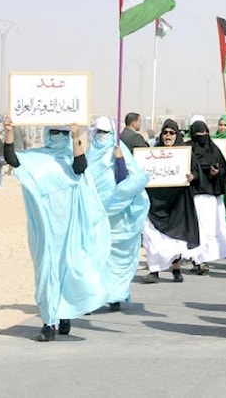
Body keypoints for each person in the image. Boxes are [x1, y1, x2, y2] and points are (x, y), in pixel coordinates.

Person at [2, 117, 110, 342]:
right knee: (45, 274)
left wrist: (75, 136)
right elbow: (11, 158)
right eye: (54, 132)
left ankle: (65, 313)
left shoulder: (70, 159)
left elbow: (80, 167)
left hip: (69, 229)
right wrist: (10, 131)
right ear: (45, 132)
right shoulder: (35, 158)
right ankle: (48, 322)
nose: (57, 136)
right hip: (43, 230)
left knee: (68, 271)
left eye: (61, 133)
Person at [87, 116, 150, 311]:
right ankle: (90, 298)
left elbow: (135, 179)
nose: (102, 137)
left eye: (106, 133)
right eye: (99, 132)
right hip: (94, 214)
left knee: (115, 256)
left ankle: (115, 295)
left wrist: (120, 160)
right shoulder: (88, 155)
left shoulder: (119, 150)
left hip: (118, 216)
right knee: (93, 255)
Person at [141, 119, 199, 283]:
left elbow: (197, 172)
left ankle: (176, 269)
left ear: (177, 135)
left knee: (175, 239)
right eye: (165, 132)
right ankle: (154, 271)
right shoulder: (152, 154)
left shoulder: (185, 154)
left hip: (177, 203)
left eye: (171, 133)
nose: (168, 136)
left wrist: (192, 176)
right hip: (155, 202)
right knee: (153, 238)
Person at [184, 120, 226, 273]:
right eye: (199, 135)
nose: (203, 137)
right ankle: (197, 260)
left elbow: (224, 172)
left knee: (208, 230)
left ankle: (202, 260)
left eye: (205, 134)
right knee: (197, 229)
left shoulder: (214, 150)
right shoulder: (188, 149)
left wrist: (216, 173)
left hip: (210, 197)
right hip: (193, 195)